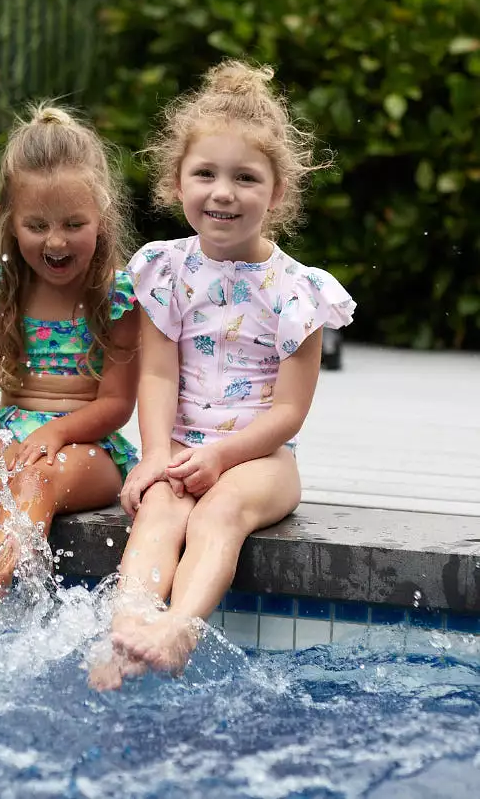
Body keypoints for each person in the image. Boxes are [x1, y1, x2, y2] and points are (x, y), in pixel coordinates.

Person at [98, 59, 355, 683]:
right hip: (183, 448)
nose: (223, 192)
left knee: (217, 514)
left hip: (262, 461)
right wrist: (156, 454)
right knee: (160, 510)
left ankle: (179, 627)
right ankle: (126, 632)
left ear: (277, 192)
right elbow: (157, 376)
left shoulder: (296, 292)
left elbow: (290, 411)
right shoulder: (167, 270)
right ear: (175, 182)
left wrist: (223, 458)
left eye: (245, 178)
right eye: (205, 173)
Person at [0, 105, 139, 609]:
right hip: (14, 432)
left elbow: (116, 403)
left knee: (36, 477)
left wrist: (56, 432)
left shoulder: (119, 296)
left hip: (90, 446)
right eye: (37, 225)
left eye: (73, 223)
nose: (56, 240)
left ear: (101, 217)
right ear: (11, 221)